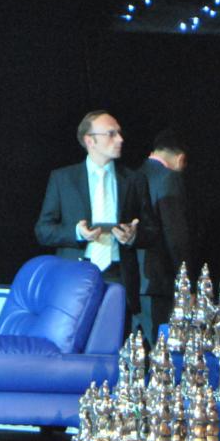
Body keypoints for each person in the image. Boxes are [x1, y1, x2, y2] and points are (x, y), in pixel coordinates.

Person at [35, 111, 154, 329]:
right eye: (111, 134)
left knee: (115, 337)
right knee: (73, 338)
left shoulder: (134, 180)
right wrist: (77, 233)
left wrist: (133, 236)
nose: (120, 139)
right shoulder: (63, 178)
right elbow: (43, 230)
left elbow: (152, 230)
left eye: (119, 133)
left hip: (118, 275)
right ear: (90, 140)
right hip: (76, 274)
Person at [136, 130, 191, 341]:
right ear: (181, 159)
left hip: (133, 282)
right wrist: (186, 280)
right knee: (159, 347)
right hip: (159, 281)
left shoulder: (133, 175)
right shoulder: (169, 178)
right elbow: (176, 236)